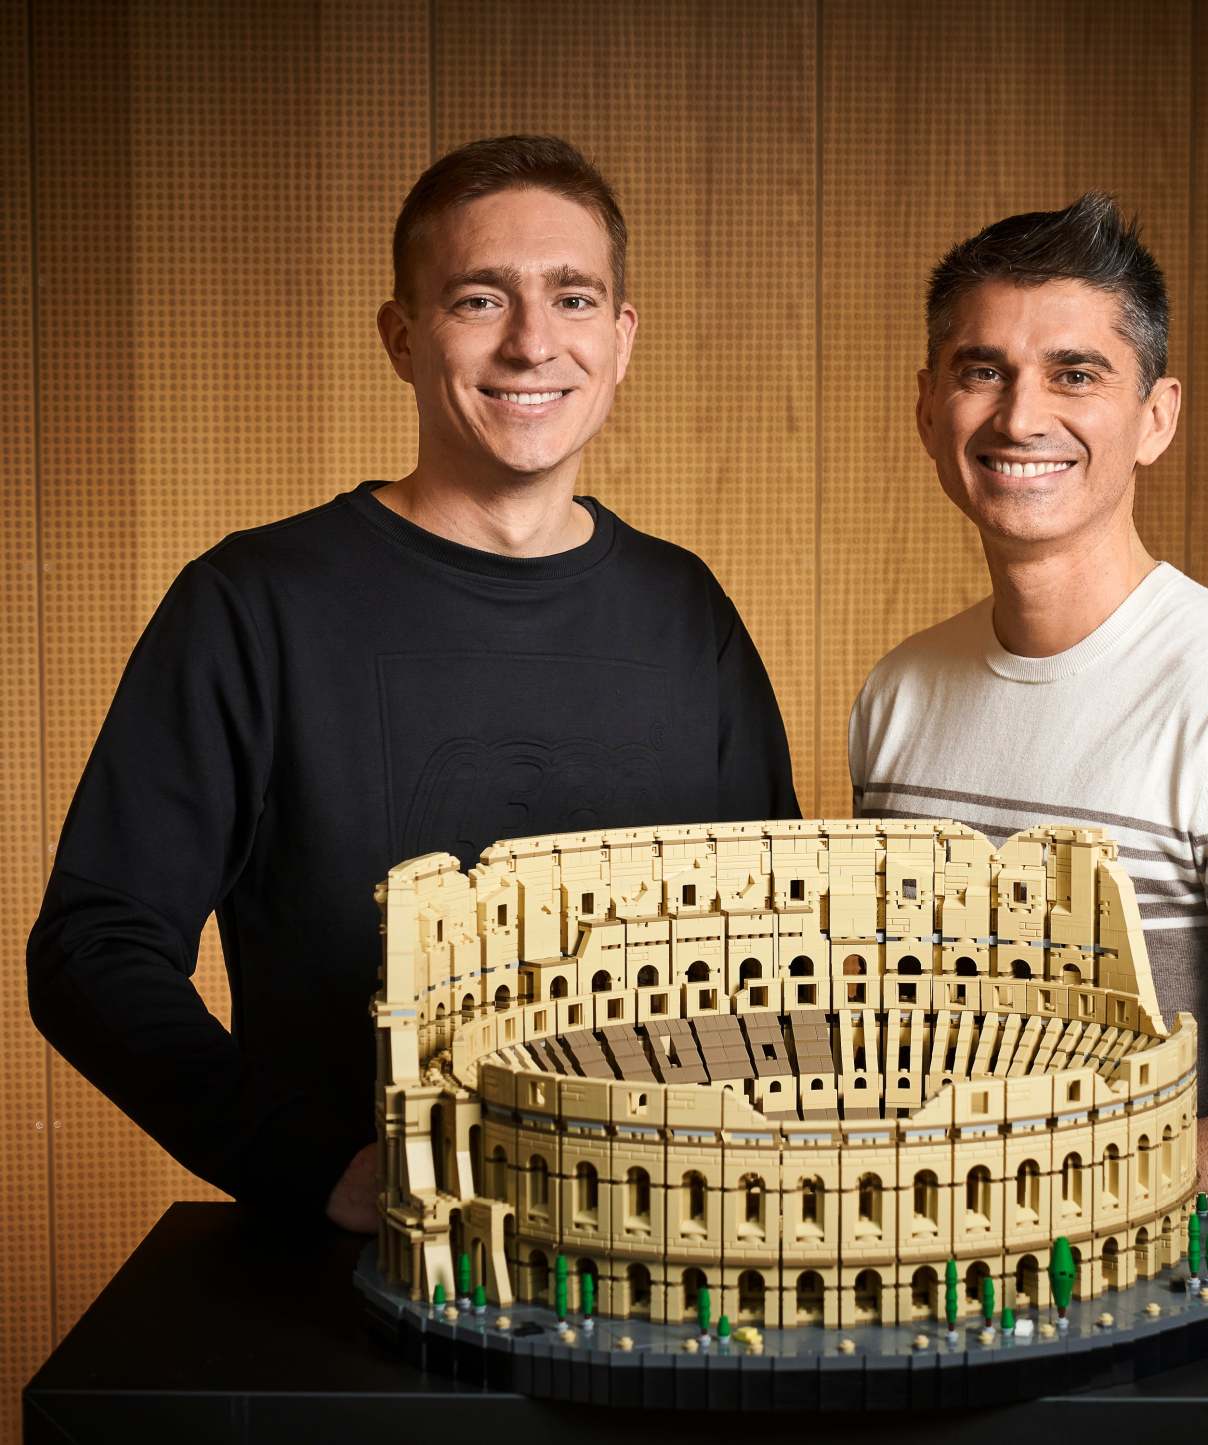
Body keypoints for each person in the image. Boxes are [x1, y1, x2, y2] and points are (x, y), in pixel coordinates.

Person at [28, 135, 799, 1232]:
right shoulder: (256, 602)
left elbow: (777, 943)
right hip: (355, 1279)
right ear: (400, 337)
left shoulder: (688, 610)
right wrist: (308, 1164)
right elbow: (92, 945)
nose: (532, 343)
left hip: (663, 1255)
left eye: (573, 298)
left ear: (621, 338)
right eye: (479, 299)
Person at [849, 193, 1208, 1217]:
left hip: (1144, 1299)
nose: (1019, 417)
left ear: (1155, 417)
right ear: (927, 407)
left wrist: (997, 1173)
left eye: (1075, 374)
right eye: (982, 370)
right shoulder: (897, 694)